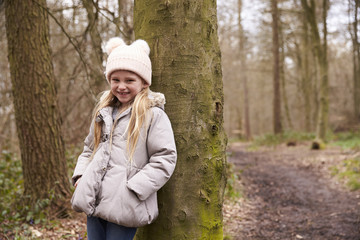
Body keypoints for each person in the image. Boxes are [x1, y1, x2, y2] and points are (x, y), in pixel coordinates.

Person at [71, 37, 177, 240]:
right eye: (115, 80)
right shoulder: (103, 113)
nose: (121, 86)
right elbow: (88, 149)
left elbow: (165, 158)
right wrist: (81, 175)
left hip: (125, 203)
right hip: (95, 198)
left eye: (129, 80)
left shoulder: (152, 115)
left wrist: (135, 188)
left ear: (144, 82)